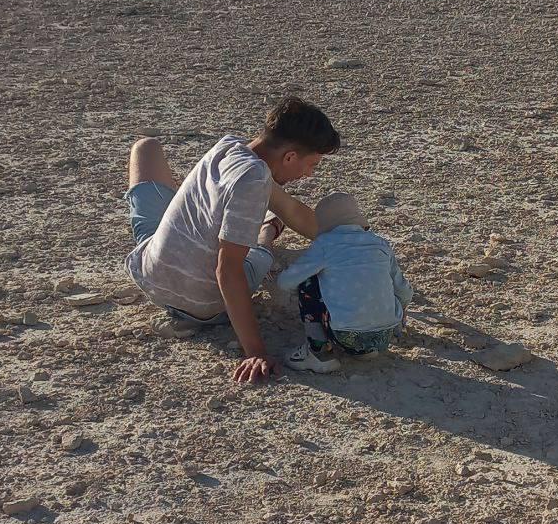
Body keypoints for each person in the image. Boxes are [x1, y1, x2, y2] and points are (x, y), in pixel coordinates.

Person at [124, 97, 339, 383]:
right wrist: (255, 352)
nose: (309, 174)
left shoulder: (227, 147)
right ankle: (266, 234)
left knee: (146, 148)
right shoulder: (254, 181)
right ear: (289, 157)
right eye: (311, 165)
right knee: (259, 255)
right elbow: (228, 270)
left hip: (152, 275)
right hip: (203, 304)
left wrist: (347, 240)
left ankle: (251, 226)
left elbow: (289, 208)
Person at [276, 191, 413, 373]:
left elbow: (285, 282)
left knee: (308, 283)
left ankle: (319, 352)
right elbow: (403, 290)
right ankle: (365, 351)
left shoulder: (326, 244)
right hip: (386, 335)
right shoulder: (380, 244)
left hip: (346, 334)